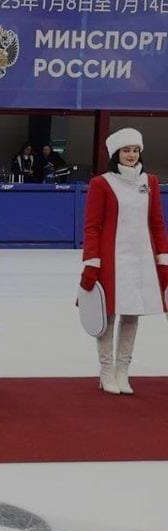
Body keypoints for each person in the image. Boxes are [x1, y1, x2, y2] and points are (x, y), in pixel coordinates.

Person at [80, 128, 168, 395]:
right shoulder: (101, 183)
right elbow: (92, 226)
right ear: (116, 153)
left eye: (136, 150)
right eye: (126, 150)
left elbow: (157, 223)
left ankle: (122, 370)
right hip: (111, 259)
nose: (131, 155)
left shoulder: (150, 182)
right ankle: (107, 370)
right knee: (107, 314)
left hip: (141, 258)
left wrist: (163, 259)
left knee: (131, 314)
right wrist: (91, 261)